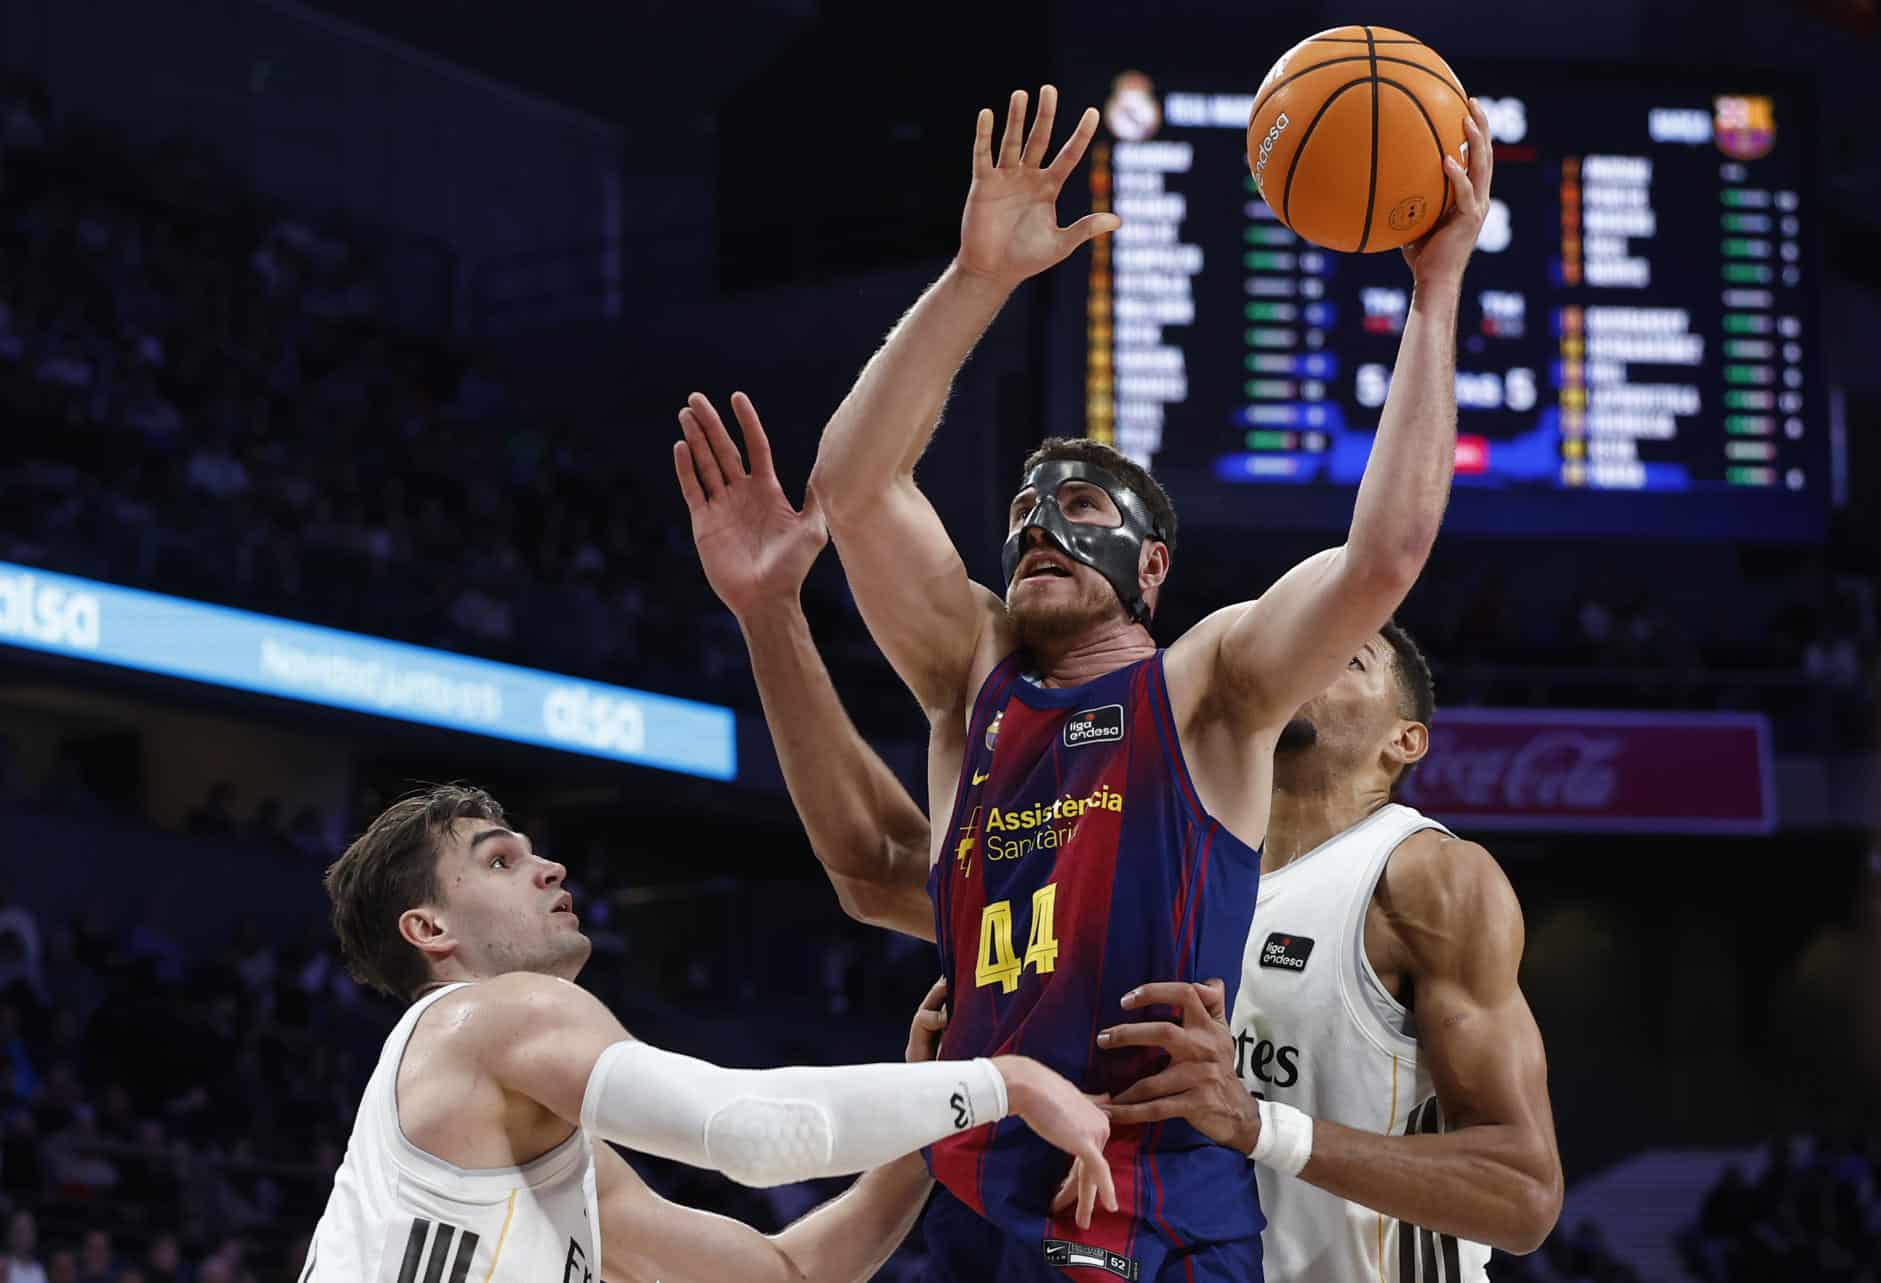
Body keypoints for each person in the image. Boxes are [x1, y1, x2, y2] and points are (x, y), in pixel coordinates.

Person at [680, 83, 1493, 1281]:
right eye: (1022, 512)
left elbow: (1385, 555)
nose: (1040, 528)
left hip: (1150, 1206)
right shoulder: (972, 679)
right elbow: (853, 487)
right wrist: (977, 278)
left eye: (1079, 506)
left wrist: (1436, 291)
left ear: (1150, 567)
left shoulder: (1207, 685)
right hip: (980, 1194)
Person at [674, 404, 1559, 1283]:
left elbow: (1522, 1192)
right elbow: (880, 870)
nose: (1322, 658)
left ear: (1406, 739)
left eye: (1353, 660)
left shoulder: (1417, 876)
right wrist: (964, 1086)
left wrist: (1261, 1125)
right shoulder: (1148, 842)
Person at [299, 784, 1115, 1282]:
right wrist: (1007, 1081)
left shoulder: (550, 1165)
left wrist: (933, 1115)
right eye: (500, 862)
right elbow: (748, 1130)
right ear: (429, 928)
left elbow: (787, 1274)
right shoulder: (491, 1014)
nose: (550, 867)